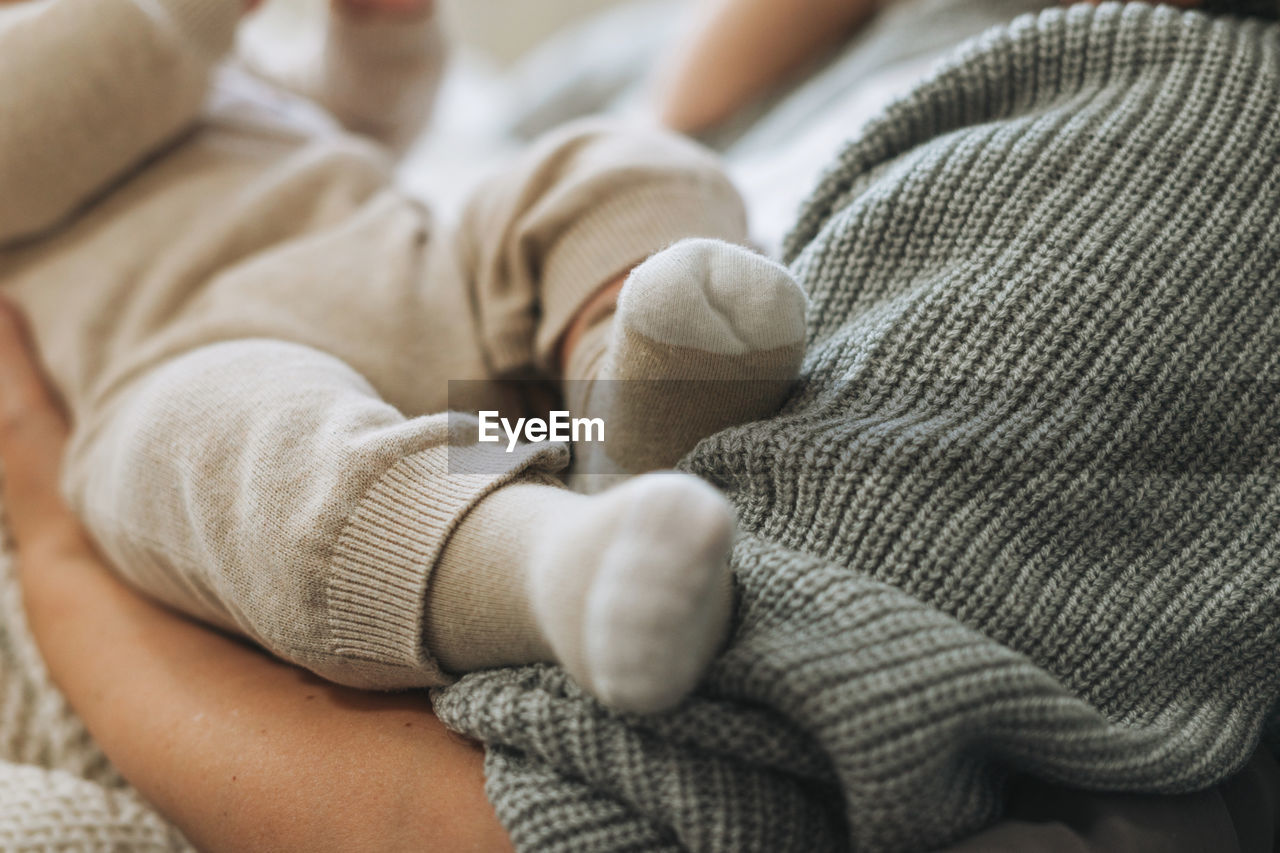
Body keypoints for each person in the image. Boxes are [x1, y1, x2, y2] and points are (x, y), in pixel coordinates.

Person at [0, 0, 811, 715]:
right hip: (212, 358)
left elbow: (352, 120)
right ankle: (557, 565)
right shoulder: (125, 39)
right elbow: (49, 114)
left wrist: (380, 35)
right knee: (201, 459)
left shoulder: (198, 51)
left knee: (616, 165)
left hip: (448, 326)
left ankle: (628, 417)